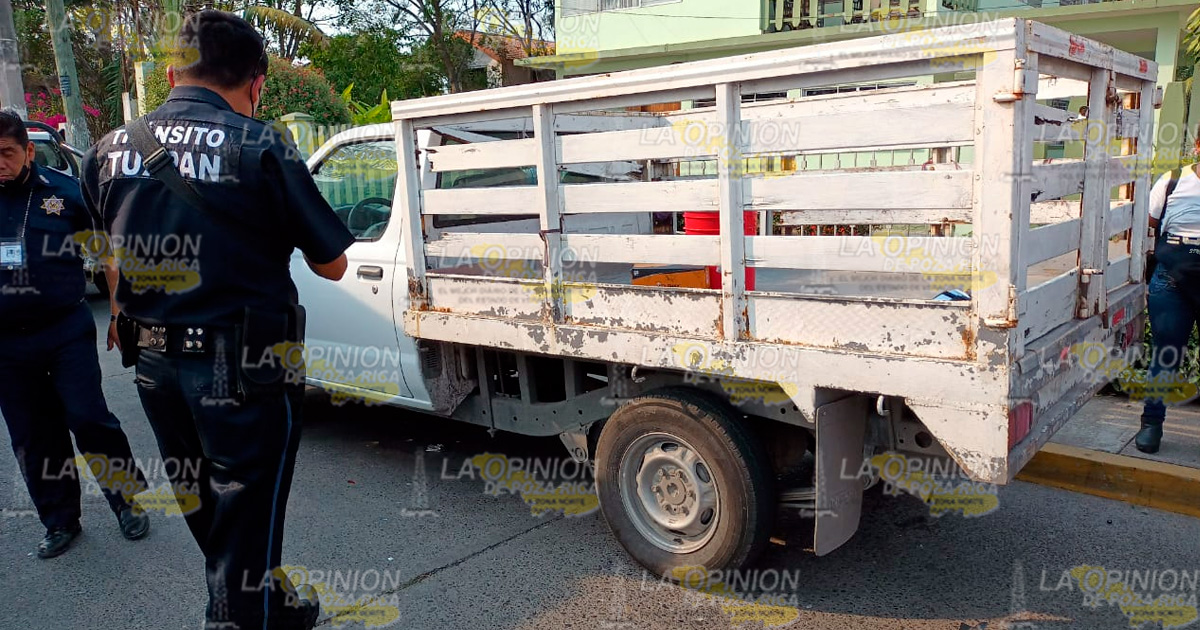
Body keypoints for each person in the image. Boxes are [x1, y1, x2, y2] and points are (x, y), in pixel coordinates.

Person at [80, 10, 352, 630]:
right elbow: (333, 264)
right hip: (245, 367)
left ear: (173, 73)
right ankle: (232, 617)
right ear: (256, 83)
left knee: (204, 501)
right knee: (247, 510)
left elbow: (111, 266)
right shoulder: (261, 143)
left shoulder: (107, 149)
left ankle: (271, 605)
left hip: (151, 365)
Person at [0, 111, 150, 558]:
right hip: (7, 344)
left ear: (28, 151)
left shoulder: (64, 193)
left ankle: (125, 500)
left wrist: (118, 307)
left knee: (88, 417)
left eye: (6, 153)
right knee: (31, 433)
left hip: (64, 330)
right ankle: (60, 520)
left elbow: (107, 250)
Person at [1138, 133, 1200, 453]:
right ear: (1198, 147)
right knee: (1166, 355)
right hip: (1171, 281)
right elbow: (1147, 223)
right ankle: (1151, 424)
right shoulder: (1173, 181)